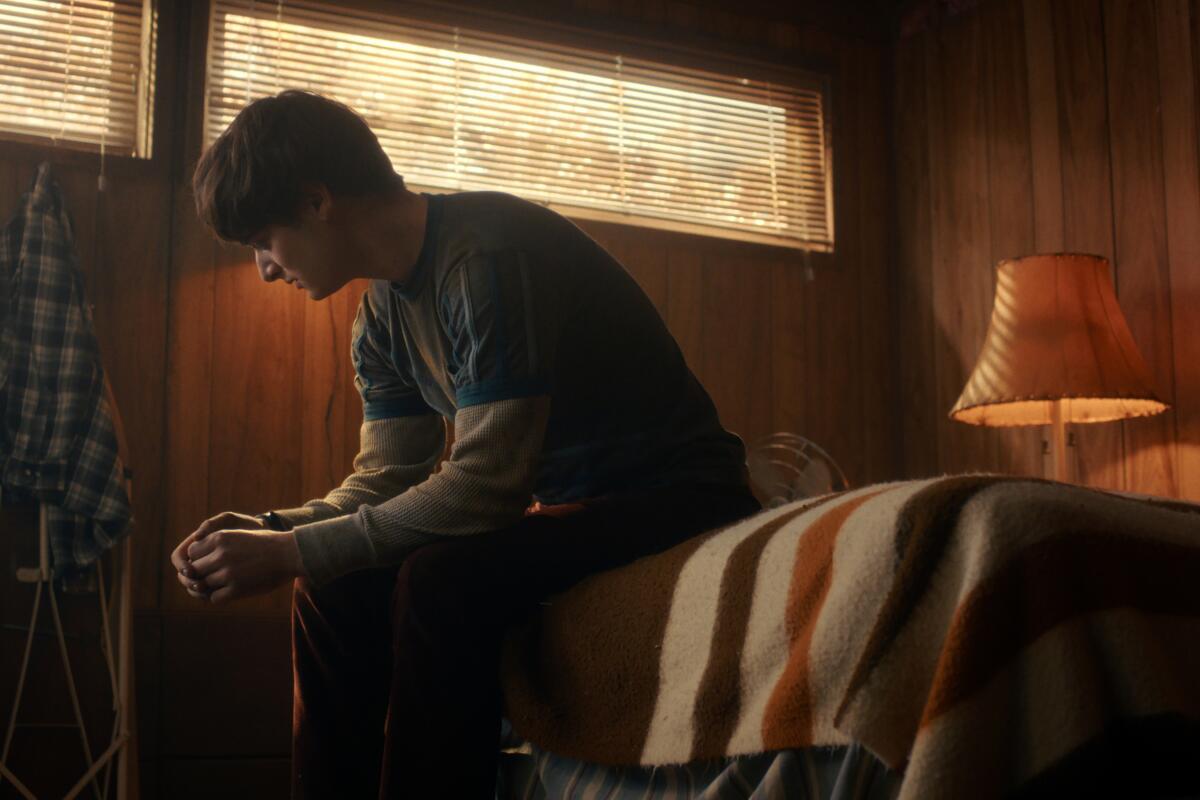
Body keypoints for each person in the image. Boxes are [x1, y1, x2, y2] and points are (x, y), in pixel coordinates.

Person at [169, 89, 759, 799]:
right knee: (332, 584)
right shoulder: (379, 319)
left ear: (317, 201)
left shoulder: (487, 259)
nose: (266, 268)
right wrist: (273, 532)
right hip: (571, 508)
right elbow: (386, 478)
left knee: (442, 581)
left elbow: (485, 487)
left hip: (680, 496)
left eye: (264, 240)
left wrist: (290, 550)